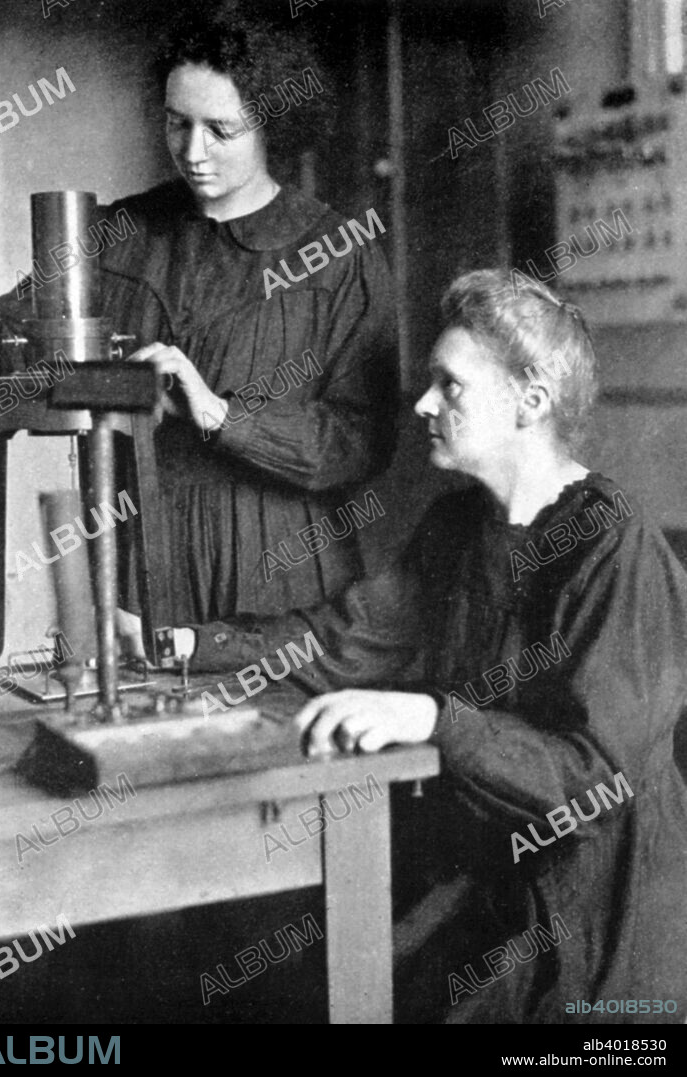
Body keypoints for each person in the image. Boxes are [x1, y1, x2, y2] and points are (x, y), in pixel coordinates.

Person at [160, 269, 687, 1024]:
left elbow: (595, 780)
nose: (422, 404)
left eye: (450, 385)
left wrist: (434, 719)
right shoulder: (455, 525)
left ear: (529, 401)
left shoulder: (613, 542)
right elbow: (342, 640)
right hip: (494, 875)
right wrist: (183, 643)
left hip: (603, 917)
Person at [0, 2, 398, 628]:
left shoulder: (336, 255)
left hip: (284, 574)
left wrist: (221, 413)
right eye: (177, 124)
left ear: (274, 124)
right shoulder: (114, 235)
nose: (193, 151)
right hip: (143, 570)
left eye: (221, 130)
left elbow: (364, 441)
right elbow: (2, 355)